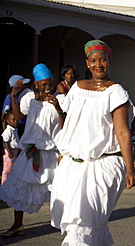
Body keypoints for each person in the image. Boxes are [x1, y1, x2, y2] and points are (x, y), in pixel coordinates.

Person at [50, 40, 135, 245]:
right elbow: (69, 120)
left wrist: (130, 168)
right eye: (93, 61)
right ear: (87, 63)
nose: (98, 65)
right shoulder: (77, 88)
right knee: (79, 226)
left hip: (102, 165)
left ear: (109, 61)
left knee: (85, 224)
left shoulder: (116, 92)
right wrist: (63, 151)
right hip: (72, 165)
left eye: (102, 60)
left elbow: (123, 131)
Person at [0, 63, 65, 238]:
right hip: (30, 152)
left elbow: (65, 125)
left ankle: (65, 225)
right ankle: (17, 225)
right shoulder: (29, 99)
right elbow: (18, 117)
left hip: (50, 153)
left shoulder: (61, 99)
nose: (48, 88)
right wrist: (14, 95)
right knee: (19, 186)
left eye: (50, 84)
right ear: (36, 84)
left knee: (59, 189)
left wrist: (58, 107)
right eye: (44, 84)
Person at [1, 111, 20, 185]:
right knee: (7, 169)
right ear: (7, 121)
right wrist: (9, 153)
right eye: (13, 120)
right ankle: (3, 183)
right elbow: (5, 142)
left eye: (16, 120)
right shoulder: (8, 131)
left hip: (15, 151)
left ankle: (9, 183)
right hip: (10, 152)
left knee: (12, 169)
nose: (15, 122)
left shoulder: (14, 130)